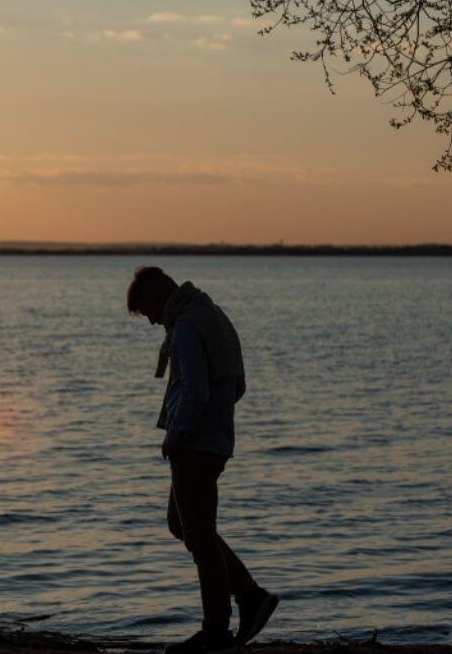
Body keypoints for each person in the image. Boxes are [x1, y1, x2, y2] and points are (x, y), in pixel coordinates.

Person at [125, 266, 279, 654]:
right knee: (183, 524)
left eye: (148, 312)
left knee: (198, 534)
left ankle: (217, 628)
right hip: (216, 439)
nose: (152, 321)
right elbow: (237, 384)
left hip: (195, 444)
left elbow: (193, 387)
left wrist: (178, 434)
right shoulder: (212, 315)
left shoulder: (187, 327)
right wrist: (217, 419)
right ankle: (249, 596)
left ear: (157, 296)